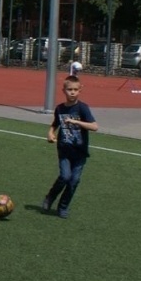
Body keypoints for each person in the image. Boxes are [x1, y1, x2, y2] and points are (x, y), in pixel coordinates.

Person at [42, 75, 98, 219]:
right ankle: (50, 197)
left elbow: (94, 126)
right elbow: (55, 124)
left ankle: (63, 207)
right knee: (65, 176)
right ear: (63, 90)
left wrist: (76, 122)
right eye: (69, 89)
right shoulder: (60, 108)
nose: (72, 92)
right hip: (65, 150)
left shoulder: (82, 108)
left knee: (74, 181)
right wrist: (50, 133)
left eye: (75, 90)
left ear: (80, 90)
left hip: (80, 152)